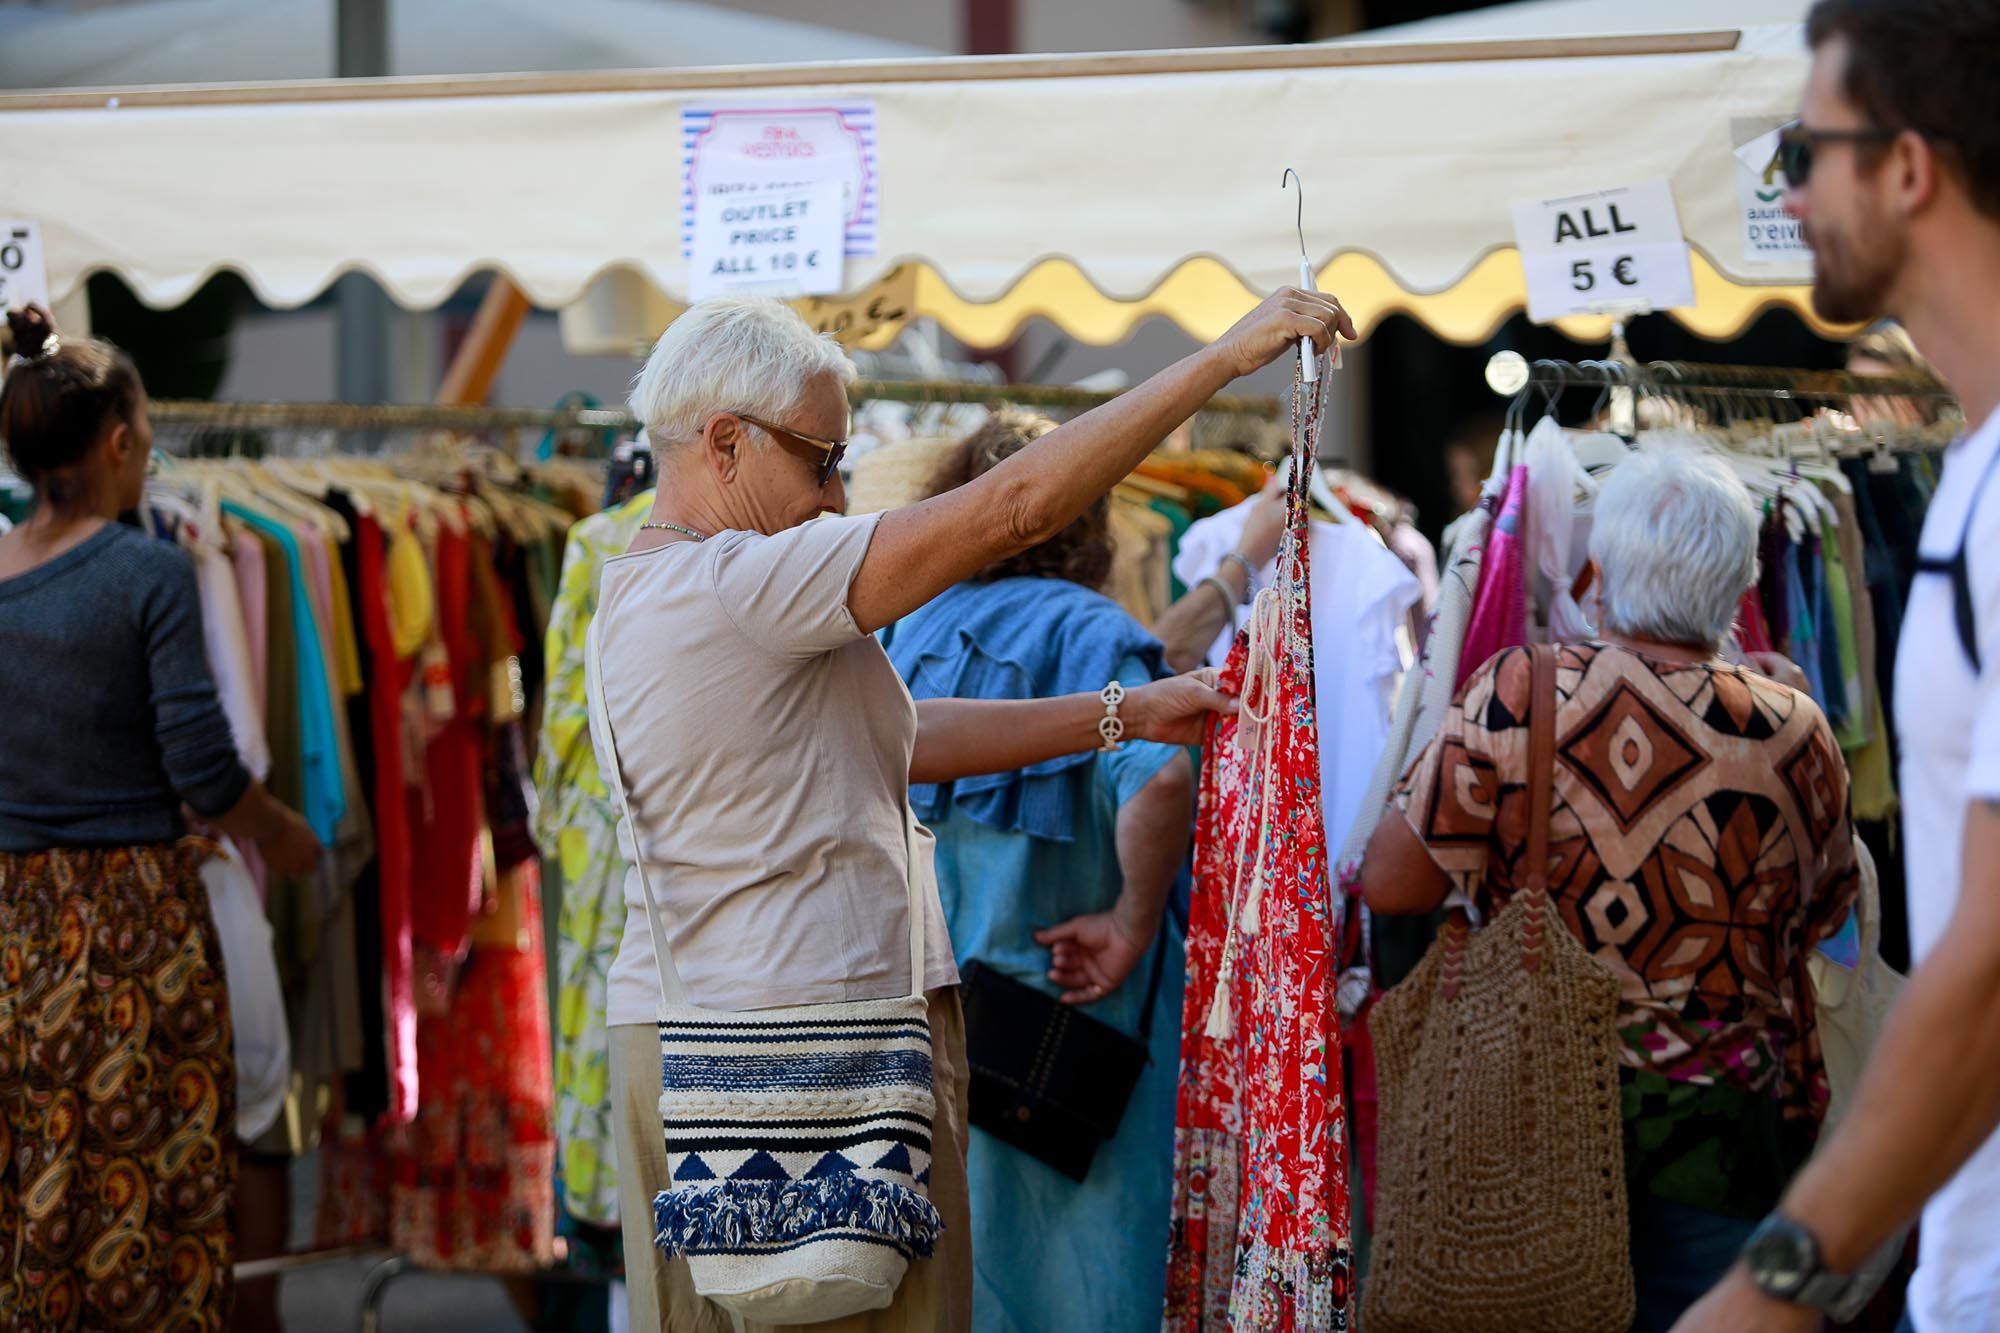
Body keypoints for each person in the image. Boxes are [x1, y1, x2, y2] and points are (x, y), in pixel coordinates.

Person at [593, 288, 1350, 1332]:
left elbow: (904, 737)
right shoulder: (743, 581)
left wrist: (1121, 713)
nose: (832, 493)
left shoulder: (643, 587)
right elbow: (1013, 509)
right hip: (810, 1052)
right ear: (725, 442)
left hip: (692, 1044)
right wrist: (1217, 360)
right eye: (820, 457)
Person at [1358, 447, 1860, 1332]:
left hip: (1527, 1100)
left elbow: (1392, 883)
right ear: (1740, 576)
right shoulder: (1795, 727)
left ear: (1607, 567)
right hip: (1724, 1122)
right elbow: (1829, 912)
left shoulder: (1521, 689)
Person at [1674, 3, 2000, 1330]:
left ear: (1909, 168)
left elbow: (1988, 967)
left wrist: (1774, 1289)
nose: (1788, 195)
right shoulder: (1972, 482)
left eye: (1806, 152)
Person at [0, 305, 320, 1330]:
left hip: (13, 928)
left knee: (34, 1185)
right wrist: (281, 834)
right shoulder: (148, 573)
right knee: (148, 1196)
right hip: (133, 929)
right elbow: (203, 768)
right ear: (120, 441)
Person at [877, 409, 1194, 1333]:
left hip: (935, 1023)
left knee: (963, 1283)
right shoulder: (1096, 634)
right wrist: (1134, 921)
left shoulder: (906, 631)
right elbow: (1163, 778)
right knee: (1094, 1286)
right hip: (1077, 1021)